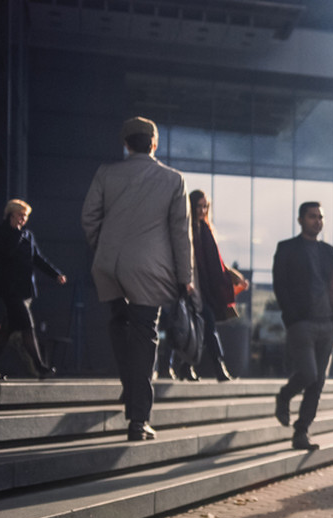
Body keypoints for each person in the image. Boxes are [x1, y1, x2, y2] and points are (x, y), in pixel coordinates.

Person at [82, 116, 193, 442]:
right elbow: (180, 233)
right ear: (154, 144)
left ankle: (129, 387)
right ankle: (138, 419)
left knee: (118, 322)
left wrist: (103, 247)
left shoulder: (106, 173)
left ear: (126, 144)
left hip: (109, 265)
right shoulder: (173, 180)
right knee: (144, 335)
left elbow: (89, 217)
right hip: (149, 269)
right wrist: (185, 277)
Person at [272, 201, 333, 452]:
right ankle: (284, 395)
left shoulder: (328, 251)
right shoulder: (287, 249)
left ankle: (301, 431)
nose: (317, 221)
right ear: (301, 219)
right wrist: (291, 316)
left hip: (328, 322)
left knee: (318, 382)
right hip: (301, 322)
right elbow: (279, 284)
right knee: (309, 374)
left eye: (320, 217)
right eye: (312, 217)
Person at [0, 199, 68, 379]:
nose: (23, 220)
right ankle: (40, 365)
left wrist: (55, 274)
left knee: (6, 331)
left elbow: (37, 259)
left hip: (24, 289)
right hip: (9, 289)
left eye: (26, 217)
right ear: (11, 214)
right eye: (21, 215)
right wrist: (15, 233)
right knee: (28, 326)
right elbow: (5, 254)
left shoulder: (27, 235)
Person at [170, 190, 248, 382]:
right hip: (190, 288)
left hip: (206, 291)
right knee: (202, 326)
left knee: (200, 329)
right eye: (198, 206)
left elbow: (215, 263)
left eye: (205, 206)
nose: (202, 210)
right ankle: (217, 368)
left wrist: (233, 275)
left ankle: (186, 367)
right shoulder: (186, 230)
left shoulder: (206, 229)